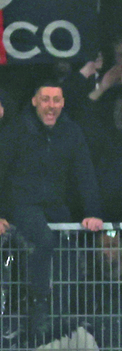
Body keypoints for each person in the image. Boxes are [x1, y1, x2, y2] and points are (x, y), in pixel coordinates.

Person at [0, 79, 103, 336]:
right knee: (44, 240)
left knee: (68, 248)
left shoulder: (71, 131)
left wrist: (93, 212)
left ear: (63, 103)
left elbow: (85, 173)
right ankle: (39, 305)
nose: (51, 105)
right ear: (34, 101)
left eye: (56, 100)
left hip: (55, 205)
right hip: (22, 203)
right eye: (45, 99)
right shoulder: (17, 129)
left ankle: (63, 310)